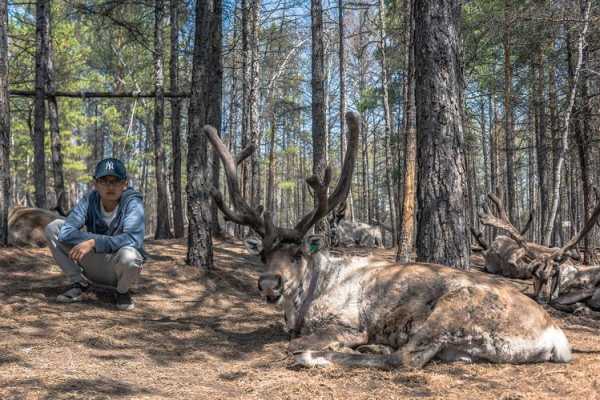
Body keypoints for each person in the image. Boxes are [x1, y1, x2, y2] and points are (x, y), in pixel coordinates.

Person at [44, 158, 145, 310]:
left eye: (116, 181)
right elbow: (65, 232)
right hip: (92, 263)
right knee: (53, 228)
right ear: (95, 184)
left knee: (130, 255)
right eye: (104, 180)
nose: (110, 186)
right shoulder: (89, 200)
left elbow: (133, 239)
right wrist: (93, 242)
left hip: (117, 267)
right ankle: (80, 283)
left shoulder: (132, 202)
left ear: (125, 184)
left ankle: (122, 292)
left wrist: (93, 242)